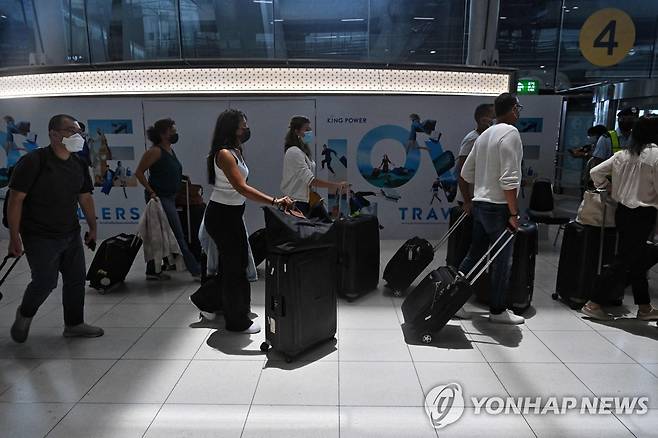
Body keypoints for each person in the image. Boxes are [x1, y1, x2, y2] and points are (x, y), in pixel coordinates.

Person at [7, 114, 103, 343]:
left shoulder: (78, 163)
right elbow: (15, 200)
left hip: (70, 232)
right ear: (53, 134)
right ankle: (25, 314)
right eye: (71, 130)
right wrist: (14, 238)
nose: (77, 135)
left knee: (76, 279)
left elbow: (85, 197)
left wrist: (93, 227)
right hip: (39, 235)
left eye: (79, 131)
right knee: (45, 281)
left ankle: (74, 324)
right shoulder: (34, 161)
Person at [203, 109, 293, 334]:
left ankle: (208, 302)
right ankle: (237, 322)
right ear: (231, 128)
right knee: (235, 268)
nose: (246, 129)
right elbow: (241, 187)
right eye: (243, 125)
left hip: (232, 213)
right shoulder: (224, 154)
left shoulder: (236, 150)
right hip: (221, 215)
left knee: (233, 265)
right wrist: (275, 201)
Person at [457, 93, 525, 325]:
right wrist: (514, 214)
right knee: (501, 261)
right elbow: (509, 179)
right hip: (499, 207)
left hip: (480, 203)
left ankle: (455, 301)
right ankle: (497, 310)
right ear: (514, 109)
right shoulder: (511, 133)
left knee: (474, 254)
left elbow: (466, 173)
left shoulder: (484, 136)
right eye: (519, 108)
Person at [582, 115, 658, 321]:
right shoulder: (656, 155)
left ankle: (644, 307)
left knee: (636, 259)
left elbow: (595, 172)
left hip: (623, 211)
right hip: (644, 214)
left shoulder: (624, 154)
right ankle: (593, 303)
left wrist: (608, 189)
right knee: (624, 260)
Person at [135, 118, 201, 281]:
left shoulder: (169, 149)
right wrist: (151, 191)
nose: (175, 133)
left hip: (171, 196)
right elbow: (139, 172)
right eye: (172, 130)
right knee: (178, 234)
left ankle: (152, 271)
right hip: (160, 198)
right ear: (163, 134)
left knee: (157, 235)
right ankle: (196, 271)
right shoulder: (155, 151)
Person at [281, 116, 349, 216]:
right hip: (296, 203)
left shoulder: (303, 151)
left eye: (310, 129)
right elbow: (310, 180)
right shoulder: (294, 152)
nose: (310, 132)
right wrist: (337, 185)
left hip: (307, 200)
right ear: (297, 132)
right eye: (307, 129)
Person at [455, 103, 495, 206]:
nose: (496, 121)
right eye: (494, 117)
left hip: (481, 198)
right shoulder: (472, 140)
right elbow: (462, 172)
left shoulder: (487, 139)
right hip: (471, 199)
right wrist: (467, 201)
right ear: (483, 120)